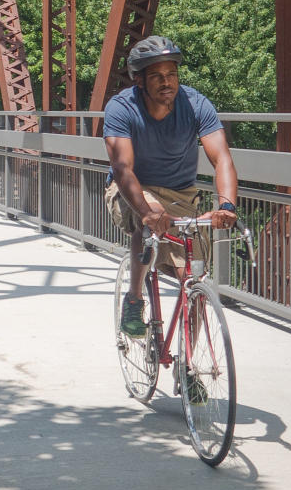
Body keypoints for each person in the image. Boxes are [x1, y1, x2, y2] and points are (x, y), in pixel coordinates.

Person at [102, 35, 238, 339]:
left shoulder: (195, 104)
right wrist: (145, 210)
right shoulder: (121, 108)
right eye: (157, 76)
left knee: (193, 277)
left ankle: (189, 368)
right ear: (139, 81)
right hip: (130, 188)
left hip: (182, 193)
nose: (167, 82)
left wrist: (227, 205)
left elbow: (223, 159)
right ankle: (135, 300)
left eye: (172, 74)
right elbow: (123, 169)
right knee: (150, 218)